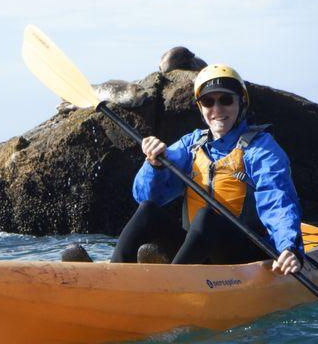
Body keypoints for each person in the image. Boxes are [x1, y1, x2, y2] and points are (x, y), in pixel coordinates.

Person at [109, 64, 304, 275]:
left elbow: (277, 199)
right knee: (148, 209)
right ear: (200, 107)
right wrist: (153, 165)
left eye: (226, 100)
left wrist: (289, 247)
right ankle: (113, 276)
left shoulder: (261, 149)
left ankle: (171, 284)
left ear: (242, 102)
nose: (217, 109)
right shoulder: (191, 144)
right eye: (208, 101)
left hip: (246, 253)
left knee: (206, 217)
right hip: (196, 253)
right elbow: (145, 196)